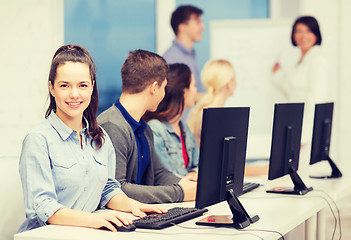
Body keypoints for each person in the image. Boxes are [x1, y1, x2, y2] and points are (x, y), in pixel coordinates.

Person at [18, 45, 166, 233]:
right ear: (52, 88)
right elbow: (43, 207)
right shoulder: (38, 139)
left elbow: (107, 190)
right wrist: (95, 219)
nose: (74, 94)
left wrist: (134, 206)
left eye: (82, 85)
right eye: (64, 85)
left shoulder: (100, 137)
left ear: (92, 87)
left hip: (87, 233)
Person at [97, 50, 197, 204]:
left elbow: (159, 174)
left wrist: (186, 183)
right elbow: (117, 189)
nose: (164, 94)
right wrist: (180, 192)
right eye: (164, 88)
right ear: (154, 87)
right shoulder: (112, 126)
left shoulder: (144, 128)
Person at [187, 59, 268, 177]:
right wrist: (264, 170)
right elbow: (225, 167)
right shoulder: (214, 115)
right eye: (234, 78)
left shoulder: (209, 111)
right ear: (228, 84)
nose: (236, 82)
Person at [272, 16, 329, 144]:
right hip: (296, 127)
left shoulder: (317, 60)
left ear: (316, 34)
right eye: (299, 31)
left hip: (307, 134)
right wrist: (278, 74)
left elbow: (316, 100)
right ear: (293, 35)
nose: (303, 36)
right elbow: (294, 91)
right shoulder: (301, 60)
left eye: (309, 31)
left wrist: (305, 136)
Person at [143, 63, 199, 178]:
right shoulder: (155, 129)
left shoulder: (184, 128)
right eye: (193, 85)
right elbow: (164, 177)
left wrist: (193, 175)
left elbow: (198, 165)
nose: (196, 91)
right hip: (175, 193)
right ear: (184, 91)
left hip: (190, 191)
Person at [163, 5, 205, 112]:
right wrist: (205, 97)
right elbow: (173, 94)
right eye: (197, 22)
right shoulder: (171, 58)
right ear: (182, 27)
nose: (202, 27)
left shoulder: (190, 55)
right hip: (180, 124)